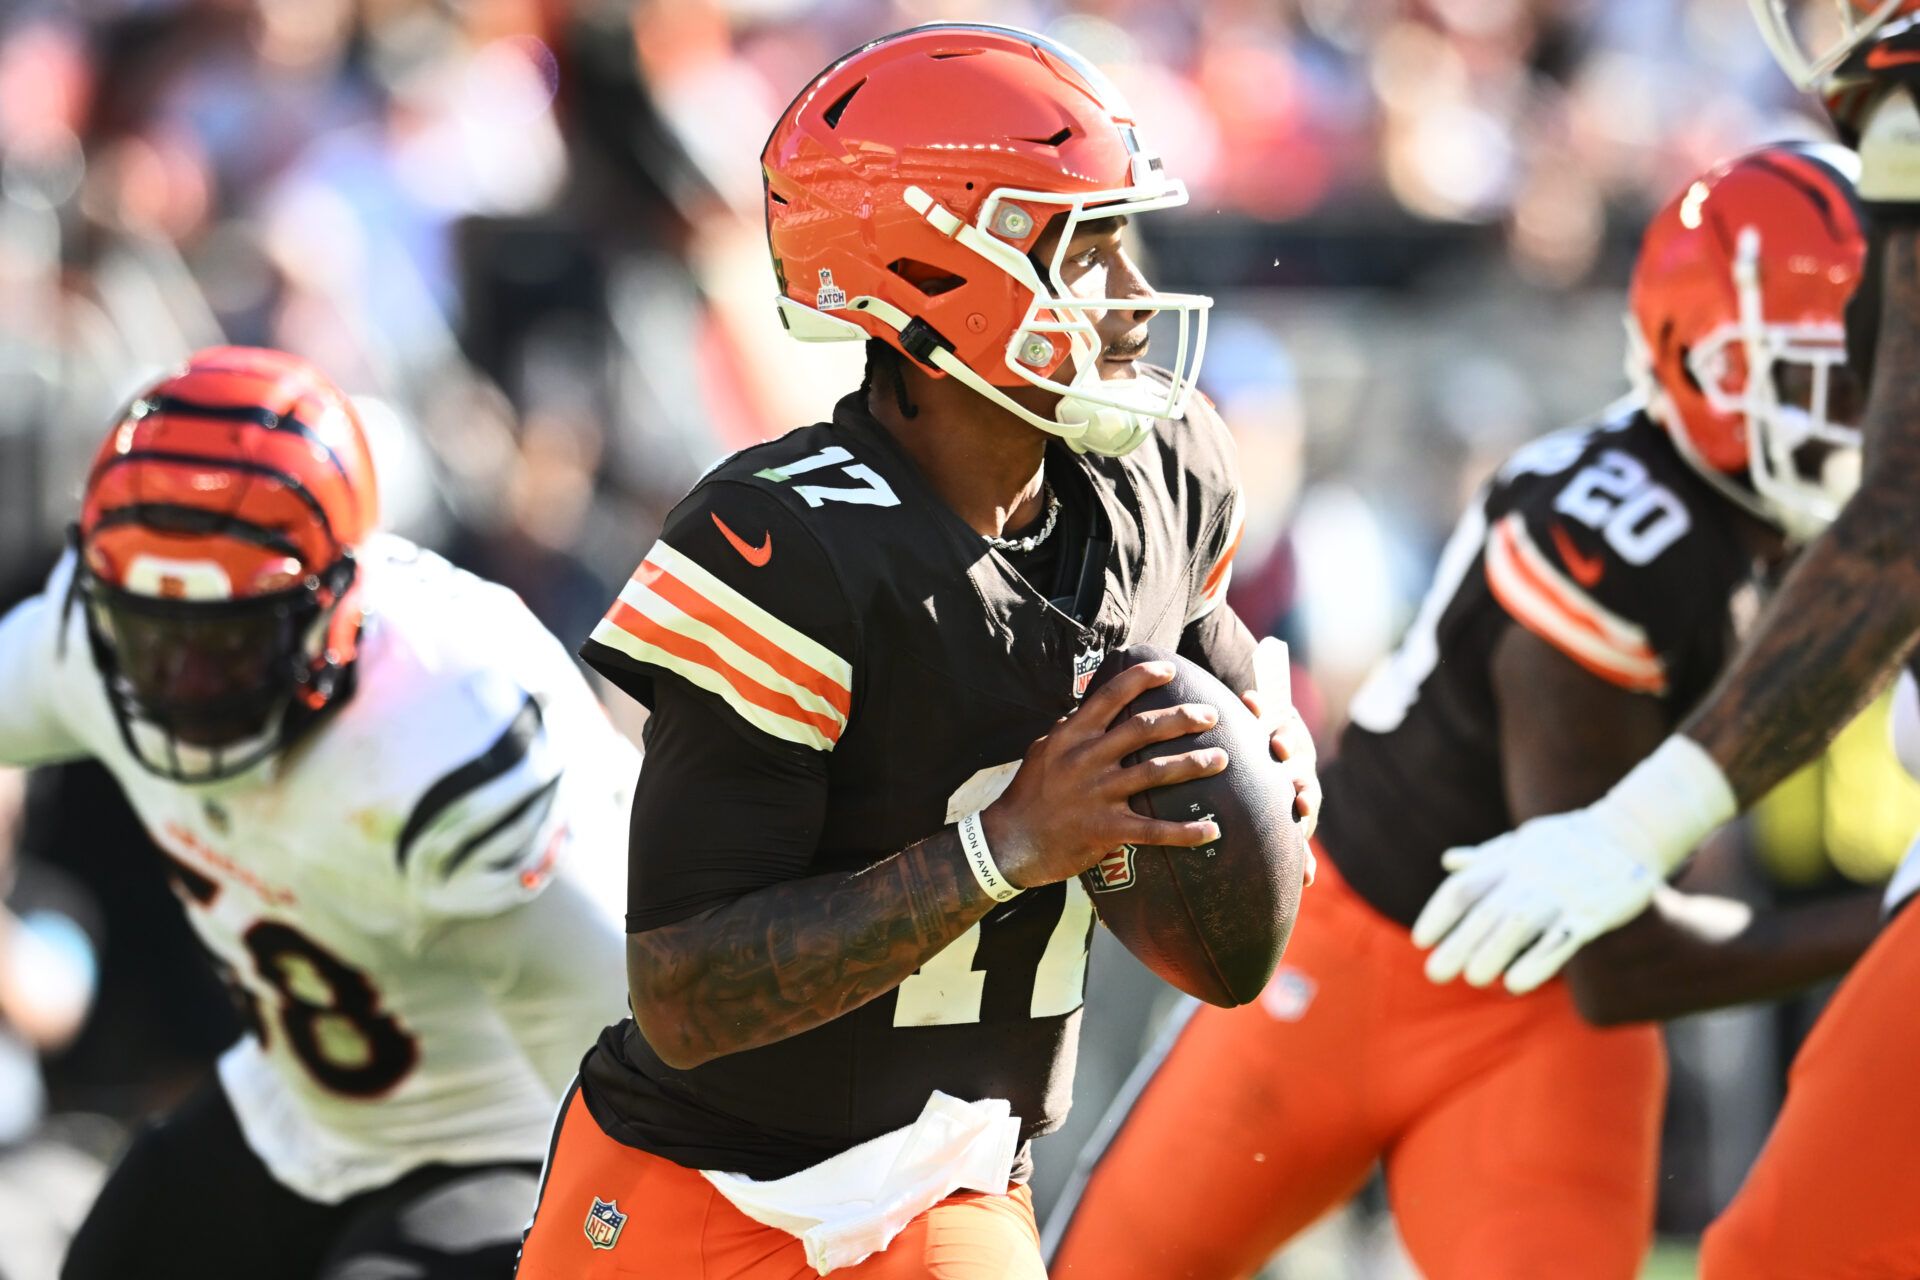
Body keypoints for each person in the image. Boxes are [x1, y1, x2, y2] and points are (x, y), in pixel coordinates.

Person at [513, 23, 1317, 1280]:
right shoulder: (782, 543)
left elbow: (1205, 646)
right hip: (693, 1186)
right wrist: (1003, 850)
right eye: (1080, 245)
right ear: (932, 273)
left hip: (947, 1183)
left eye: (1120, 238)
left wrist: (1266, 725)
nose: (1126, 294)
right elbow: (683, 991)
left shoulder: (1163, 474)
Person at [1045, 142, 1886, 1280]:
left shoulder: (1832, 531)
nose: (1874, 407)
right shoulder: (1613, 539)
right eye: (1839, 370)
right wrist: (1895, 929)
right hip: (1356, 957)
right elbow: (1618, 952)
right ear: (1718, 361)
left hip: (1539, 1031)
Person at [1407, 7, 1920, 1275]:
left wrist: (1641, 825)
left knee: (1789, 1250)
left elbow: (1895, 524)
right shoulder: (1621, 522)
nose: (1853, 401)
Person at [0, 345, 637, 1280]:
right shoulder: (83, 647)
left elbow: (635, 1042)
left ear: (335, 603)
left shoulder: (446, 726)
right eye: (151, 643)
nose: (182, 688)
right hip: (298, 1108)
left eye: (224, 647)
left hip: (504, 1135)